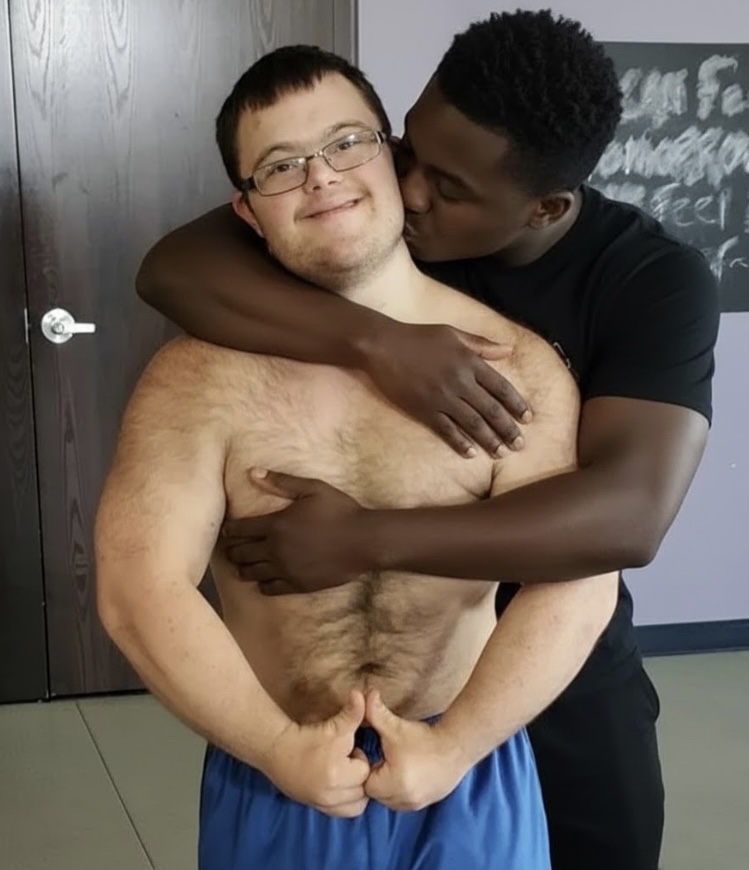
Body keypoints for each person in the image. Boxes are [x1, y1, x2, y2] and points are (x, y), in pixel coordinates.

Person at [136, 12, 720, 870]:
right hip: (344, 715)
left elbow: (626, 518)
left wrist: (363, 540)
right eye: (406, 149)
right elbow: (171, 269)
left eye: (445, 185)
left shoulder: (647, 279)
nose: (407, 190)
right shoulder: (380, 214)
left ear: (543, 209)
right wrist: (379, 344)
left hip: (558, 637)